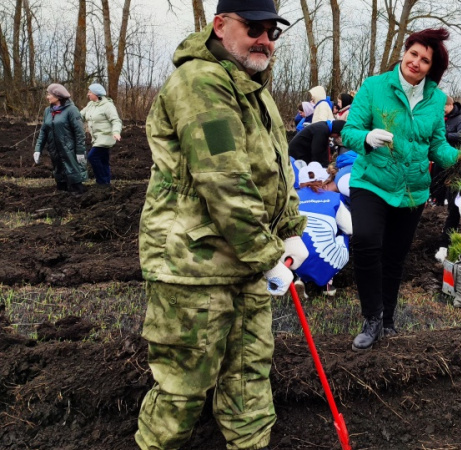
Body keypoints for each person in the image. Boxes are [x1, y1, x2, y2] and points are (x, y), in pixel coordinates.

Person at [135, 1, 309, 449]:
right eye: (253, 28)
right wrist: (268, 253)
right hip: (195, 268)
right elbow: (224, 179)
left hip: (245, 265)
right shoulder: (200, 83)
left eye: (272, 32)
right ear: (220, 25)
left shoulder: (255, 90)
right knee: (181, 390)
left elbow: (277, 169)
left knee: (248, 383)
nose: (264, 40)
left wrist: (290, 227)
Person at [341, 28, 460, 350]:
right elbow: (349, 131)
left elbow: (437, 146)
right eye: (413, 54)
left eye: (425, 60)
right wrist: (366, 138)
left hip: (412, 190)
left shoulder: (436, 99)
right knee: (366, 242)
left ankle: (388, 317)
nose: (416, 62)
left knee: (395, 256)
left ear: (432, 68)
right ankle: (372, 318)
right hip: (371, 180)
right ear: (404, 53)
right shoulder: (374, 86)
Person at [294, 161, 353, 296]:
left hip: (294, 257)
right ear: (323, 181)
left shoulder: (292, 199)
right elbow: (350, 229)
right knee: (342, 231)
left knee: (295, 236)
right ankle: (328, 282)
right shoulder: (335, 197)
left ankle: (300, 278)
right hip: (327, 258)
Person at [33, 83, 88, 194]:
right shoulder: (48, 111)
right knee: (60, 178)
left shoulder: (72, 110)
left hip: (69, 150)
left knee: (74, 177)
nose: (47, 97)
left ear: (58, 96)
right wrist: (38, 149)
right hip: (54, 150)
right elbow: (43, 131)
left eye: (49, 94)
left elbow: (79, 133)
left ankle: (78, 194)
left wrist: (80, 151)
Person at [79, 82, 123, 187]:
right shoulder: (91, 105)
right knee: (103, 160)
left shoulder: (108, 106)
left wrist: (116, 132)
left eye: (90, 92)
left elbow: (116, 120)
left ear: (96, 93)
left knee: (92, 157)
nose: (88, 94)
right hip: (96, 138)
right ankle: (106, 183)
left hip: (106, 137)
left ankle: (101, 182)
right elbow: (80, 116)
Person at [429, 94, 461, 205]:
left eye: (444, 107)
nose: (442, 110)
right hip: (439, 155)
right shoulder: (441, 118)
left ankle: (449, 204)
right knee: (436, 179)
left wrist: (446, 135)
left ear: (451, 105)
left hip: (453, 155)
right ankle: (436, 201)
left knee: (450, 183)